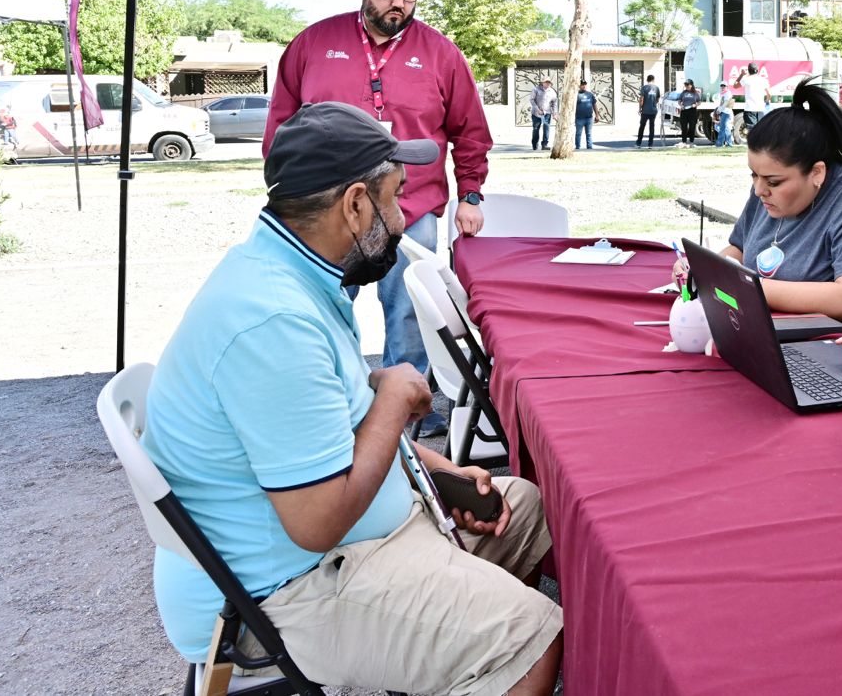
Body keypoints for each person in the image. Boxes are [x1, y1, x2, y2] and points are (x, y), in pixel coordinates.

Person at [145, 103, 562, 695]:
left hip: (346, 544)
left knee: (521, 508)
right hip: (285, 594)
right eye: (395, 198)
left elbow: (330, 426)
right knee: (531, 634)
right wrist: (393, 397)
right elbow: (317, 522)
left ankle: (444, 651)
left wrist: (435, 472)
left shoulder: (295, 276)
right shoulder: (272, 321)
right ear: (356, 203)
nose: (400, 218)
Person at [264, 0, 491, 439]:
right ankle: (329, 400)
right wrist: (286, 199)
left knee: (410, 312)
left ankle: (407, 410)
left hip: (411, 209)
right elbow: (281, 126)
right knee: (320, 307)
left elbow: (470, 131)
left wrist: (470, 195)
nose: (399, 5)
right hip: (326, 213)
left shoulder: (441, 53)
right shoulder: (313, 44)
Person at [723, 78, 842, 321]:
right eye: (754, 175)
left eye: (773, 182)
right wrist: (705, 270)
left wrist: (748, 288)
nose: (759, 190)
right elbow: (740, 249)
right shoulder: (765, 189)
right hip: (770, 333)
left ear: (817, 172)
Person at [737, 62, 770, 129]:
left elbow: (735, 85)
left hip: (750, 109)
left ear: (748, 71)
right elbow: (769, 94)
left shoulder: (746, 79)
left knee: (752, 132)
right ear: (757, 70)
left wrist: (741, 74)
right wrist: (767, 101)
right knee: (760, 131)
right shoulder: (763, 80)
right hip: (760, 109)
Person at [530, 77, 557, 151]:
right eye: (546, 82)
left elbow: (554, 103)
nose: (548, 83)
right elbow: (531, 100)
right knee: (536, 129)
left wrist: (555, 113)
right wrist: (537, 109)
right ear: (542, 82)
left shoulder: (552, 91)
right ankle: (535, 144)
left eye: (549, 82)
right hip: (536, 112)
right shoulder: (536, 89)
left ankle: (544, 144)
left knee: (546, 128)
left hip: (547, 113)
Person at [637, 74, 661, 148]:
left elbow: (641, 99)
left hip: (645, 110)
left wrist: (640, 108)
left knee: (642, 126)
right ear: (653, 80)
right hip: (653, 110)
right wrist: (653, 104)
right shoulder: (657, 88)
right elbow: (657, 99)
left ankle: (638, 143)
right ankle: (650, 144)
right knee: (652, 127)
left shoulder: (644, 88)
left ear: (647, 80)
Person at [574, 79, 597, 150]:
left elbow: (594, 104)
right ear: (579, 86)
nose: (583, 86)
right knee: (578, 134)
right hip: (579, 118)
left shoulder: (590, 94)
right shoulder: (576, 95)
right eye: (582, 85)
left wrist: (597, 115)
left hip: (589, 118)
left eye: (584, 84)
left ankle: (589, 147)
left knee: (589, 134)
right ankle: (578, 147)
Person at [678, 78, 701, 146]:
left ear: (691, 85)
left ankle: (691, 141)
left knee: (692, 126)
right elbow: (679, 100)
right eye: (685, 84)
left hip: (692, 111)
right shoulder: (683, 92)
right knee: (684, 127)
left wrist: (695, 104)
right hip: (684, 110)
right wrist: (681, 105)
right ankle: (684, 141)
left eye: (687, 84)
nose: (686, 86)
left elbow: (699, 102)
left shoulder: (695, 93)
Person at [714, 81, 735, 147]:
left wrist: (719, 110)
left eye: (724, 86)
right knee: (725, 128)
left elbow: (725, 103)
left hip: (726, 112)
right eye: (721, 86)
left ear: (727, 87)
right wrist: (718, 109)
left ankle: (720, 144)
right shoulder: (722, 94)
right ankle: (729, 143)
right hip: (724, 112)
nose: (722, 87)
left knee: (722, 128)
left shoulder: (728, 93)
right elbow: (721, 103)